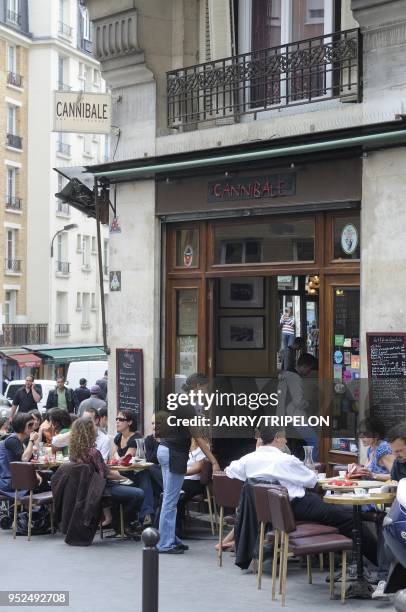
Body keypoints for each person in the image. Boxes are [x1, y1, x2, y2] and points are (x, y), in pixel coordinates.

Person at [225, 425, 377, 567]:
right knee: (350, 518)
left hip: (270, 513)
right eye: (284, 437)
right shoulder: (286, 460)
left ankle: (336, 557)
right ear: (277, 438)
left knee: (335, 513)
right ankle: (379, 564)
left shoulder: (247, 459)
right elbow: (311, 481)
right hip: (296, 507)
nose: (285, 440)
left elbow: (229, 471)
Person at [157, 402, 220, 554]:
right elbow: (200, 441)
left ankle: (170, 538)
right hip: (174, 455)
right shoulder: (188, 416)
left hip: (164, 451)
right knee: (171, 500)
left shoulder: (174, 417)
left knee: (168, 498)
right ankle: (165, 543)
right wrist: (214, 461)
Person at [68, 417, 144, 537]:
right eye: (93, 426)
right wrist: (124, 478)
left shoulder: (73, 453)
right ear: (88, 431)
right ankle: (121, 523)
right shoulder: (93, 452)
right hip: (101, 489)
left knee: (128, 490)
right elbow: (106, 474)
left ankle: (121, 523)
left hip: (87, 490)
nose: (96, 428)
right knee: (138, 492)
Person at [112, 409, 154, 526]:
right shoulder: (118, 437)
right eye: (116, 419)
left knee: (143, 475)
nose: (117, 422)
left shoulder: (136, 437)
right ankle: (146, 514)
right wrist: (118, 458)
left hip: (130, 473)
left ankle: (145, 514)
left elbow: (127, 458)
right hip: (120, 473)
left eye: (121, 420)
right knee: (144, 476)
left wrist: (118, 459)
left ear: (129, 422)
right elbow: (114, 453)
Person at [277, 352, 319, 459]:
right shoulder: (295, 378)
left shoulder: (285, 375)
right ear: (304, 366)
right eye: (310, 368)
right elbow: (298, 402)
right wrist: (308, 403)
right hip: (294, 417)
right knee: (315, 440)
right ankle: (310, 466)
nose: (310, 372)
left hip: (284, 416)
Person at [0, 413, 39, 498]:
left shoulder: (20, 441)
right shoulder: (12, 440)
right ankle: (34, 508)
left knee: (48, 475)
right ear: (21, 426)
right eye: (30, 425)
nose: (33, 427)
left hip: (17, 479)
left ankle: (37, 508)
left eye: (34, 424)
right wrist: (31, 440)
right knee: (44, 481)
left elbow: (29, 461)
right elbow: (24, 459)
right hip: (9, 482)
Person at [348, 417, 394, 481]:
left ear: (376, 435)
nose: (361, 437)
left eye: (365, 434)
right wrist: (357, 468)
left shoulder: (384, 449)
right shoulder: (371, 448)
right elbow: (367, 471)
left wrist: (374, 475)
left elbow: (396, 476)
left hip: (383, 490)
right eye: (360, 433)